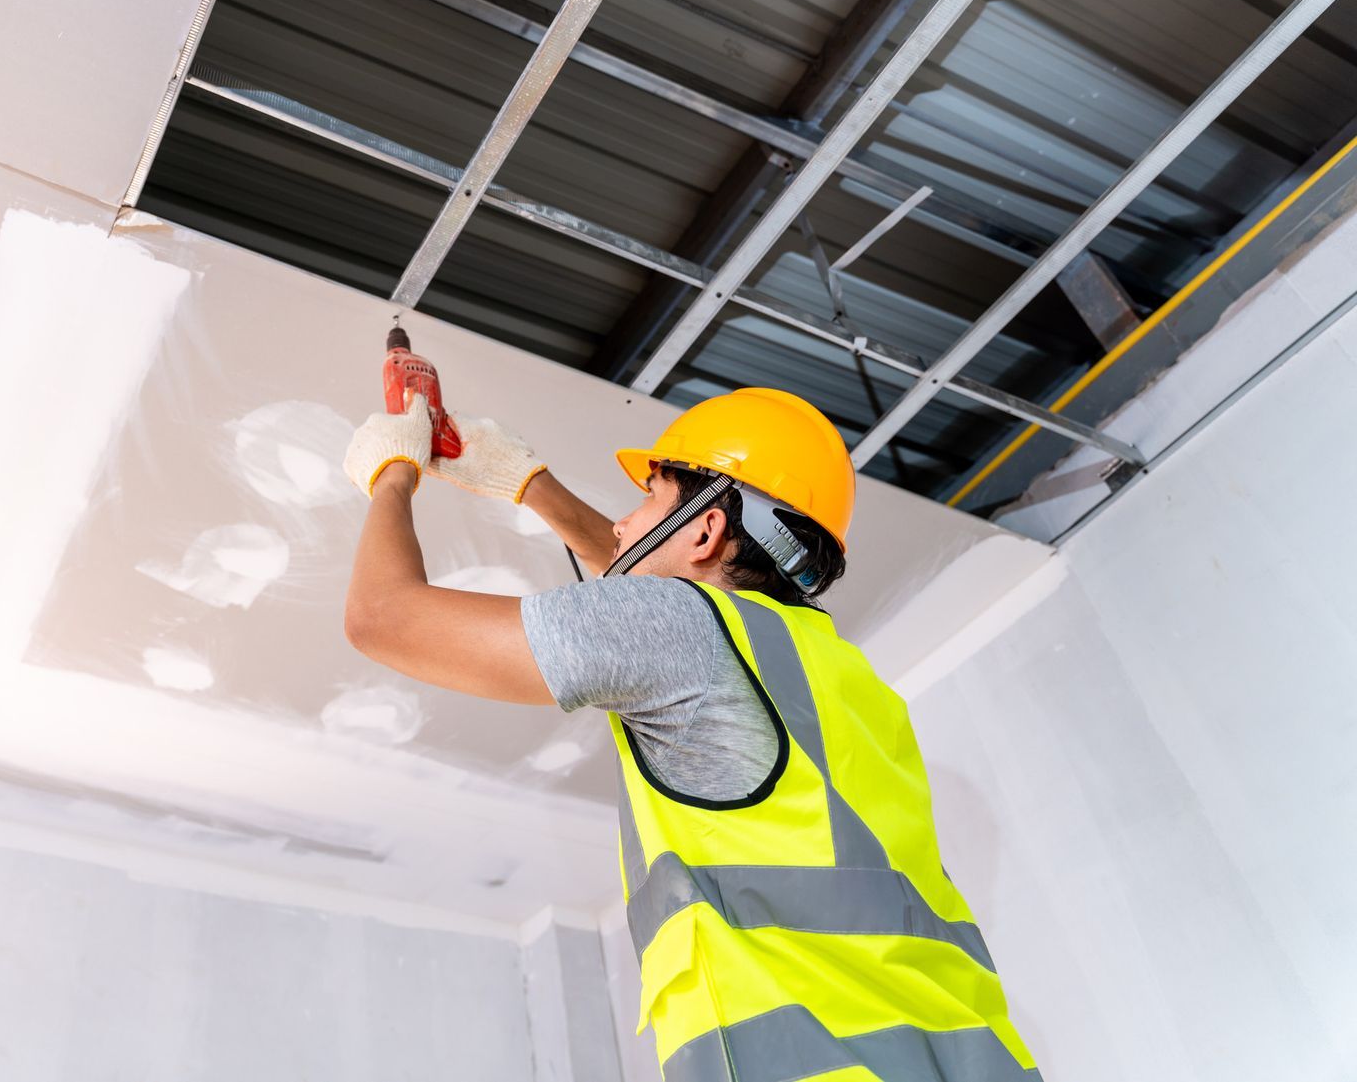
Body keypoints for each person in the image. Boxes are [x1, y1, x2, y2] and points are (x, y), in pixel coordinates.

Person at [342, 387, 1040, 1081]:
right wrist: (531, 485)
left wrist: (392, 476)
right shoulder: (839, 675)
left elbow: (381, 616)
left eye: (647, 497)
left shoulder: (681, 635)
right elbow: (661, 602)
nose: (621, 523)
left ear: (706, 532)